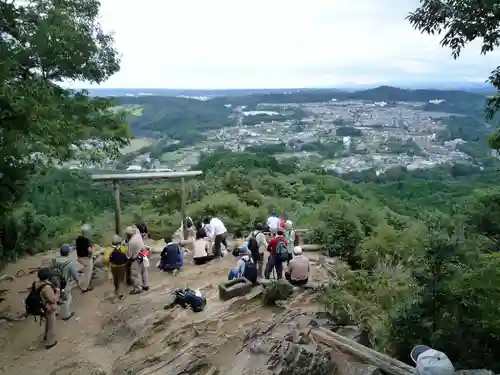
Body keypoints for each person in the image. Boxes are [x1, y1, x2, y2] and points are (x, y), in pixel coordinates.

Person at [50, 244, 78, 321]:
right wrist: (77, 281)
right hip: (64, 285)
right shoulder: (70, 263)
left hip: (53, 283)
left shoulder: (53, 261)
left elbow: (49, 271)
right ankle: (66, 315)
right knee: (67, 299)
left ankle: (55, 312)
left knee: (56, 297)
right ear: (68, 253)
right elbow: (75, 275)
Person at [34, 267, 60, 349]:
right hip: (48, 307)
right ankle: (50, 342)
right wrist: (57, 293)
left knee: (48, 322)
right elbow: (52, 300)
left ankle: (45, 336)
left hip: (41, 305)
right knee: (51, 324)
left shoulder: (36, 283)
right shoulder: (46, 287)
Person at [125, 226, 149, 294]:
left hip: (136, 258)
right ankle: (145, 285)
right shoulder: (138, 235)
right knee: (144, 271)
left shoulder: (131, 242)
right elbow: (137, 229)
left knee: (135, 274)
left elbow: (129, 255)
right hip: (143, 254)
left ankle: (138, 288)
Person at [103, 234, 128, 300]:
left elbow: (105, 260)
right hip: (122, 267)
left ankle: (117, 290)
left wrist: (109, 262)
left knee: (116, 279)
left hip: (113, 267)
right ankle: (121, 293)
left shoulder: (109, 249)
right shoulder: (123, 248)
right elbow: (127, 255)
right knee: (121, 280)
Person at [75, 224, 94, 293]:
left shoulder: (78, 238)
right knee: (88, 273)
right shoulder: (86, 240)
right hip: (85, 258)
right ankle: (84, 288)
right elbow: (90, 250)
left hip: (79, 257)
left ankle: (81, 283)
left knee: (85, 271)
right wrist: (90, 256)